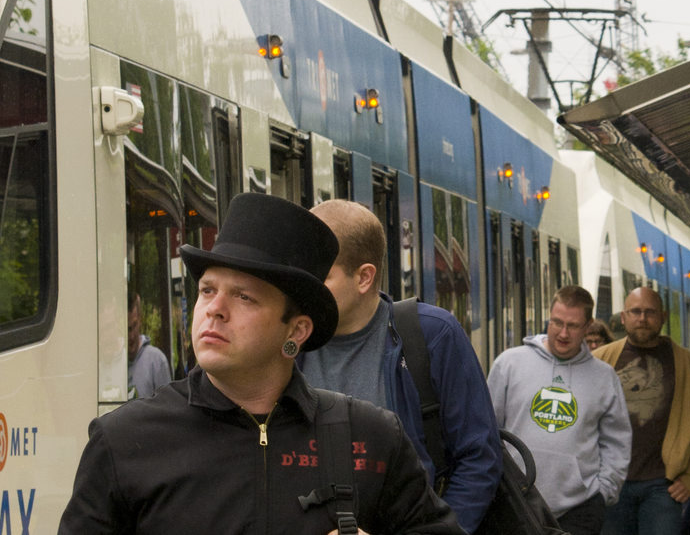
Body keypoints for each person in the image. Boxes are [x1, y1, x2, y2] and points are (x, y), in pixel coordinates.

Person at [60, 193, 464, 535]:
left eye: (244, 297)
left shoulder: (374, 439)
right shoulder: (123, 442)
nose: (214, 310)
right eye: (207, 290)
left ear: (297, 330)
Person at [301, 199, 502, 533]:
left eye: (319, 274)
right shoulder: (287, 340)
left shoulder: (432, 335)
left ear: (364, 277)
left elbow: (479, 458)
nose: (303, 285)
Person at [488, 286, 631, 535]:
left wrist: (604, 491)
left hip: (579, 510)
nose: (563, 333)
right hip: (514, 502)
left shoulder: (604, 377)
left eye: (573, 326)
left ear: (588, 326)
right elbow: (487, 429)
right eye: (557, 322)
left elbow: (617, 441)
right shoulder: (509, 364)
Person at [593, 286, 690, 535]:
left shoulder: (686, 362)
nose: (642, 318)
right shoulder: (601, 359)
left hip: (662, 487)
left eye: (650, 312)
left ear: (663, 317)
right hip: (612, 483)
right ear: (623, 317)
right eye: (635, 311)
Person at [127, 292, 172, 399]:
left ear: (140, 320)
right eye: (127, 329)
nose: (132, 335)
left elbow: (167, 408)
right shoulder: (113, 361)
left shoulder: (156, 361)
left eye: (134, 325)